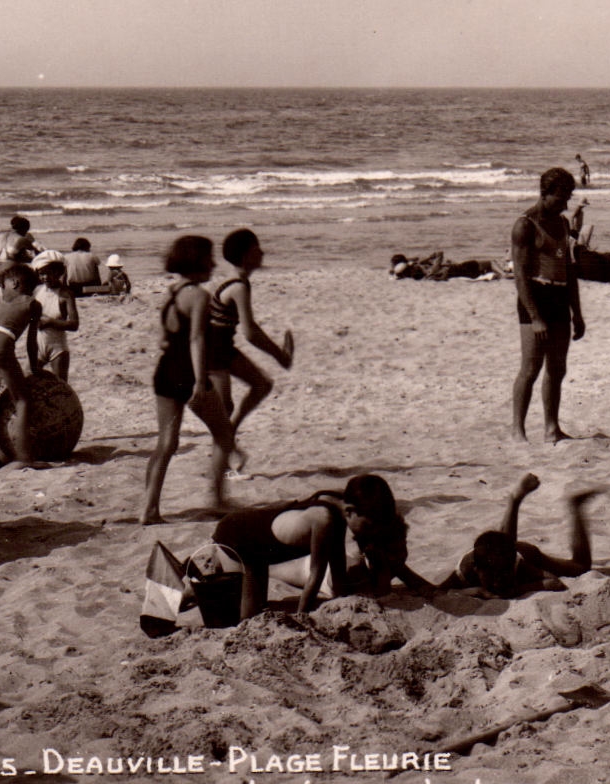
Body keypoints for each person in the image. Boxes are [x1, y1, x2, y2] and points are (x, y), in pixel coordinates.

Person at [212, 474, 432, 620]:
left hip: (258, 552)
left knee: (254, 613)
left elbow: (337, 574)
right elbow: (315, 578)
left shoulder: (339, 515)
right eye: (367, 525)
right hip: (237, 539)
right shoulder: (324, 520)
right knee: (241, 621)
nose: (368, 533)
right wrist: (302, 620)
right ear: (350, 511)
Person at [141, 236, 239, 524]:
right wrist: (199, 380)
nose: (213, 263)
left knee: (166, 444)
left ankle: (149, 509)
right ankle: (218, 500)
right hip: (186, 373)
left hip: (164, 371)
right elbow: (197, 339)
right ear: (198, 261)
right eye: (209, 258)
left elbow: (163, 338)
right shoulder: (199, 295)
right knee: (223, 434)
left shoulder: (172, 293)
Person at [206, 229, 294, 470]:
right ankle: (221, 472)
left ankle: (230, 436)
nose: (263, 252)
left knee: (262, 385)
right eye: (257, 249)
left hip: (224, 348)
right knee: (224, 411)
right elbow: (250, 332)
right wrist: (279, 355)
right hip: (213, 355)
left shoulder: (238, 280)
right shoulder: (238, 286)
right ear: (246, 257)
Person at [510, 168, 585, 444]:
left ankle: (551, 428)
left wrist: (577, 313)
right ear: (544, 194)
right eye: (561, 198)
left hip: (559, 297)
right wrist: (535, 317)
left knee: (557, 368)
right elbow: (519, 276)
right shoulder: (525, 225)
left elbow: (569, 270)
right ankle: (518, 430)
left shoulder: (563, 224)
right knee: (530, 368)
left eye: (568, 197)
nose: (566, 204)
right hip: (535, 297)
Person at [439, 474, 599, 597]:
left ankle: (576, 507)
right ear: (476, 569)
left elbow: (554, 582)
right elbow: (437, 593)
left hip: (526, 553)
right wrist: (471, 592)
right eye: (491, 577)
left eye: (503, 576)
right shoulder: (465, 570)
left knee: (581, 568)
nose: (497, 583)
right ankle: (514, 500)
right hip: (496, 549)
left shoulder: (519, 563)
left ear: (512, 567)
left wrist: (516, 590)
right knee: (502, 544)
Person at [0, 263, 44, 470]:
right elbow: (32, 342)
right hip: (1, 342)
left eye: (3, 286)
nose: (2, 290)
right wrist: (34, 367)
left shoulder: (1, 303)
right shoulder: (33, 303)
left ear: (15, 283)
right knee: (22, 400)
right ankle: (24, 457)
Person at [31, 250, 79, 382]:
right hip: (38, 345)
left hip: (57, 348)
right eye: (41, 274)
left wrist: (49, 322)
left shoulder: (66, 294)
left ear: (58, 272)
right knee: (27, 379)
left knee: (61, 385)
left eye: (48, 273)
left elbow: (74, 324)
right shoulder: (37, 291)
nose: (45, 277)